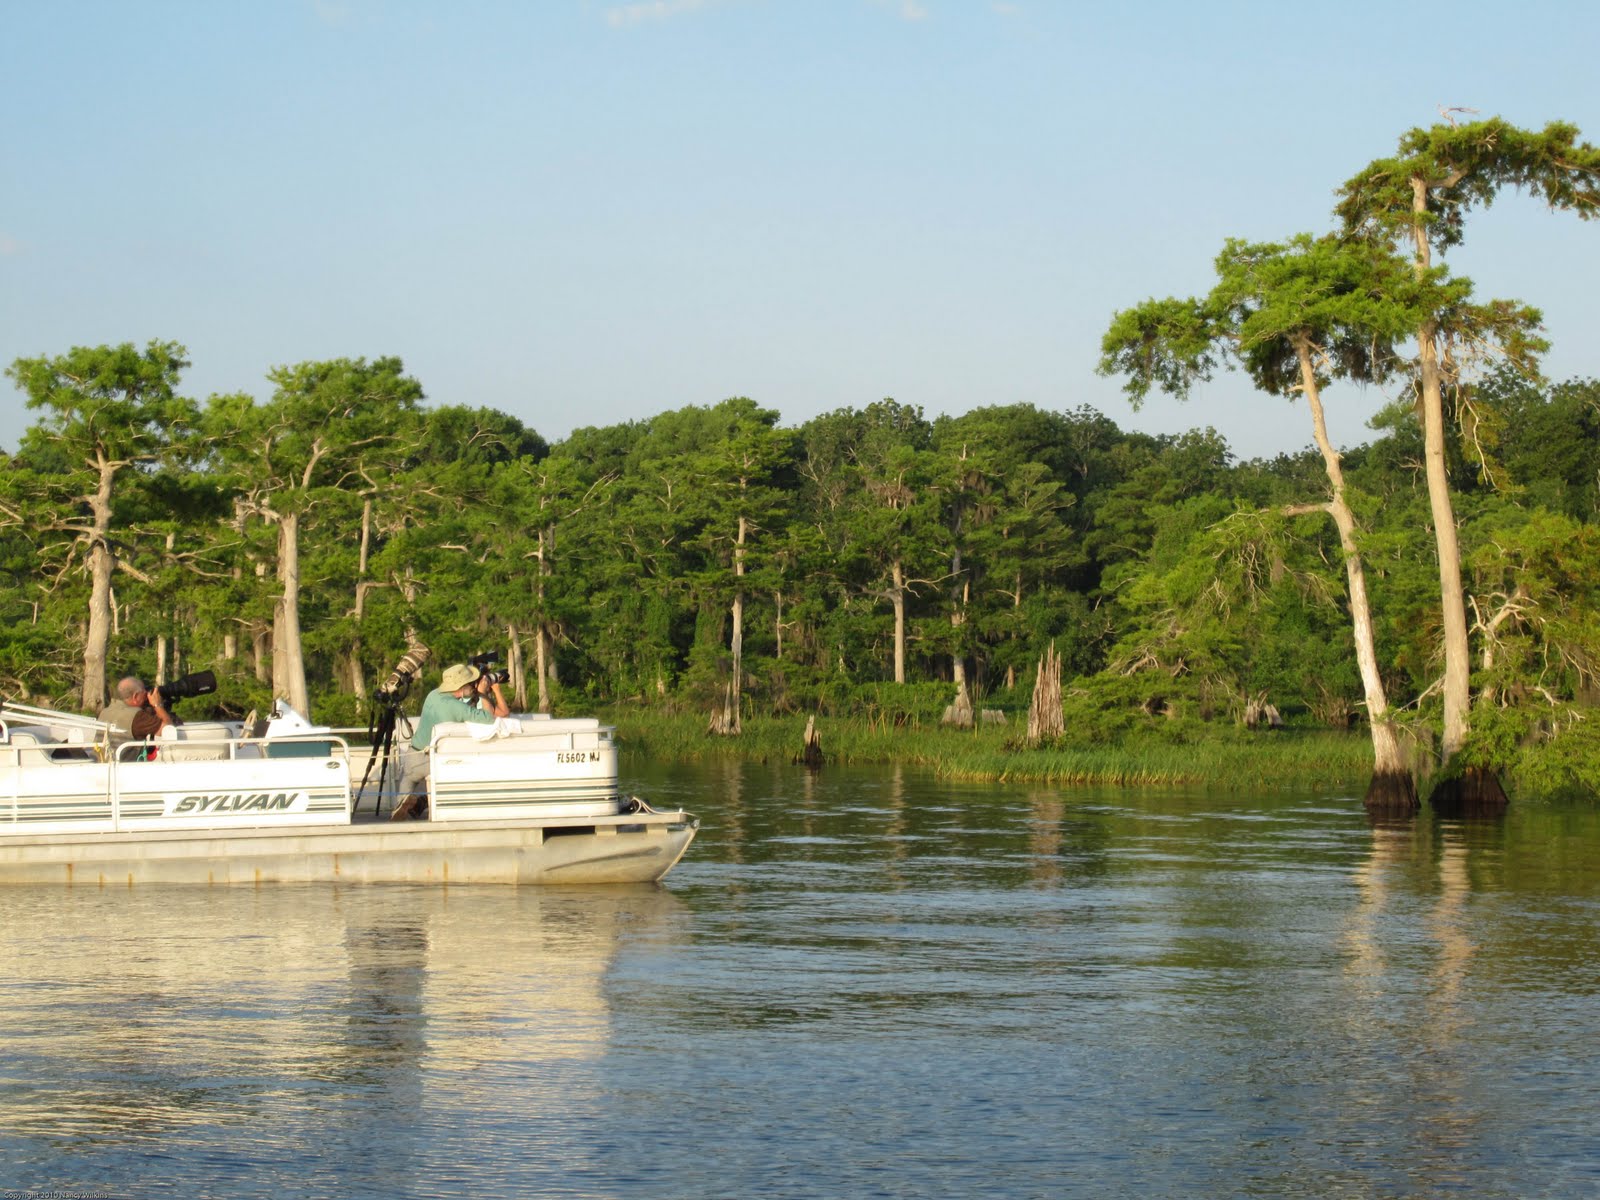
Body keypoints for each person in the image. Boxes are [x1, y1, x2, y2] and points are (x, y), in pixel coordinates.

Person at [392, 663, 511, 819]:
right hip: (436, 763)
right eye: (470, 683)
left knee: (407, 776)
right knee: (460, 772)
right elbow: (489, 718)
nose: (473, 685)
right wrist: (482, 693)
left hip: (414, 756)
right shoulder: (458, 708)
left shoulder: (432, 695)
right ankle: (426, 799)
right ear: (462, 685)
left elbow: (455, 705)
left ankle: (402, 801)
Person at [98, 676, 176, 743]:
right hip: (127, 759)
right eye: (145, 694)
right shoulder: (137, 716)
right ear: (135, 696)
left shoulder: (105, 711)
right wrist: (158, 704)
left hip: (102, 758)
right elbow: (168, 730)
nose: (147, 697)